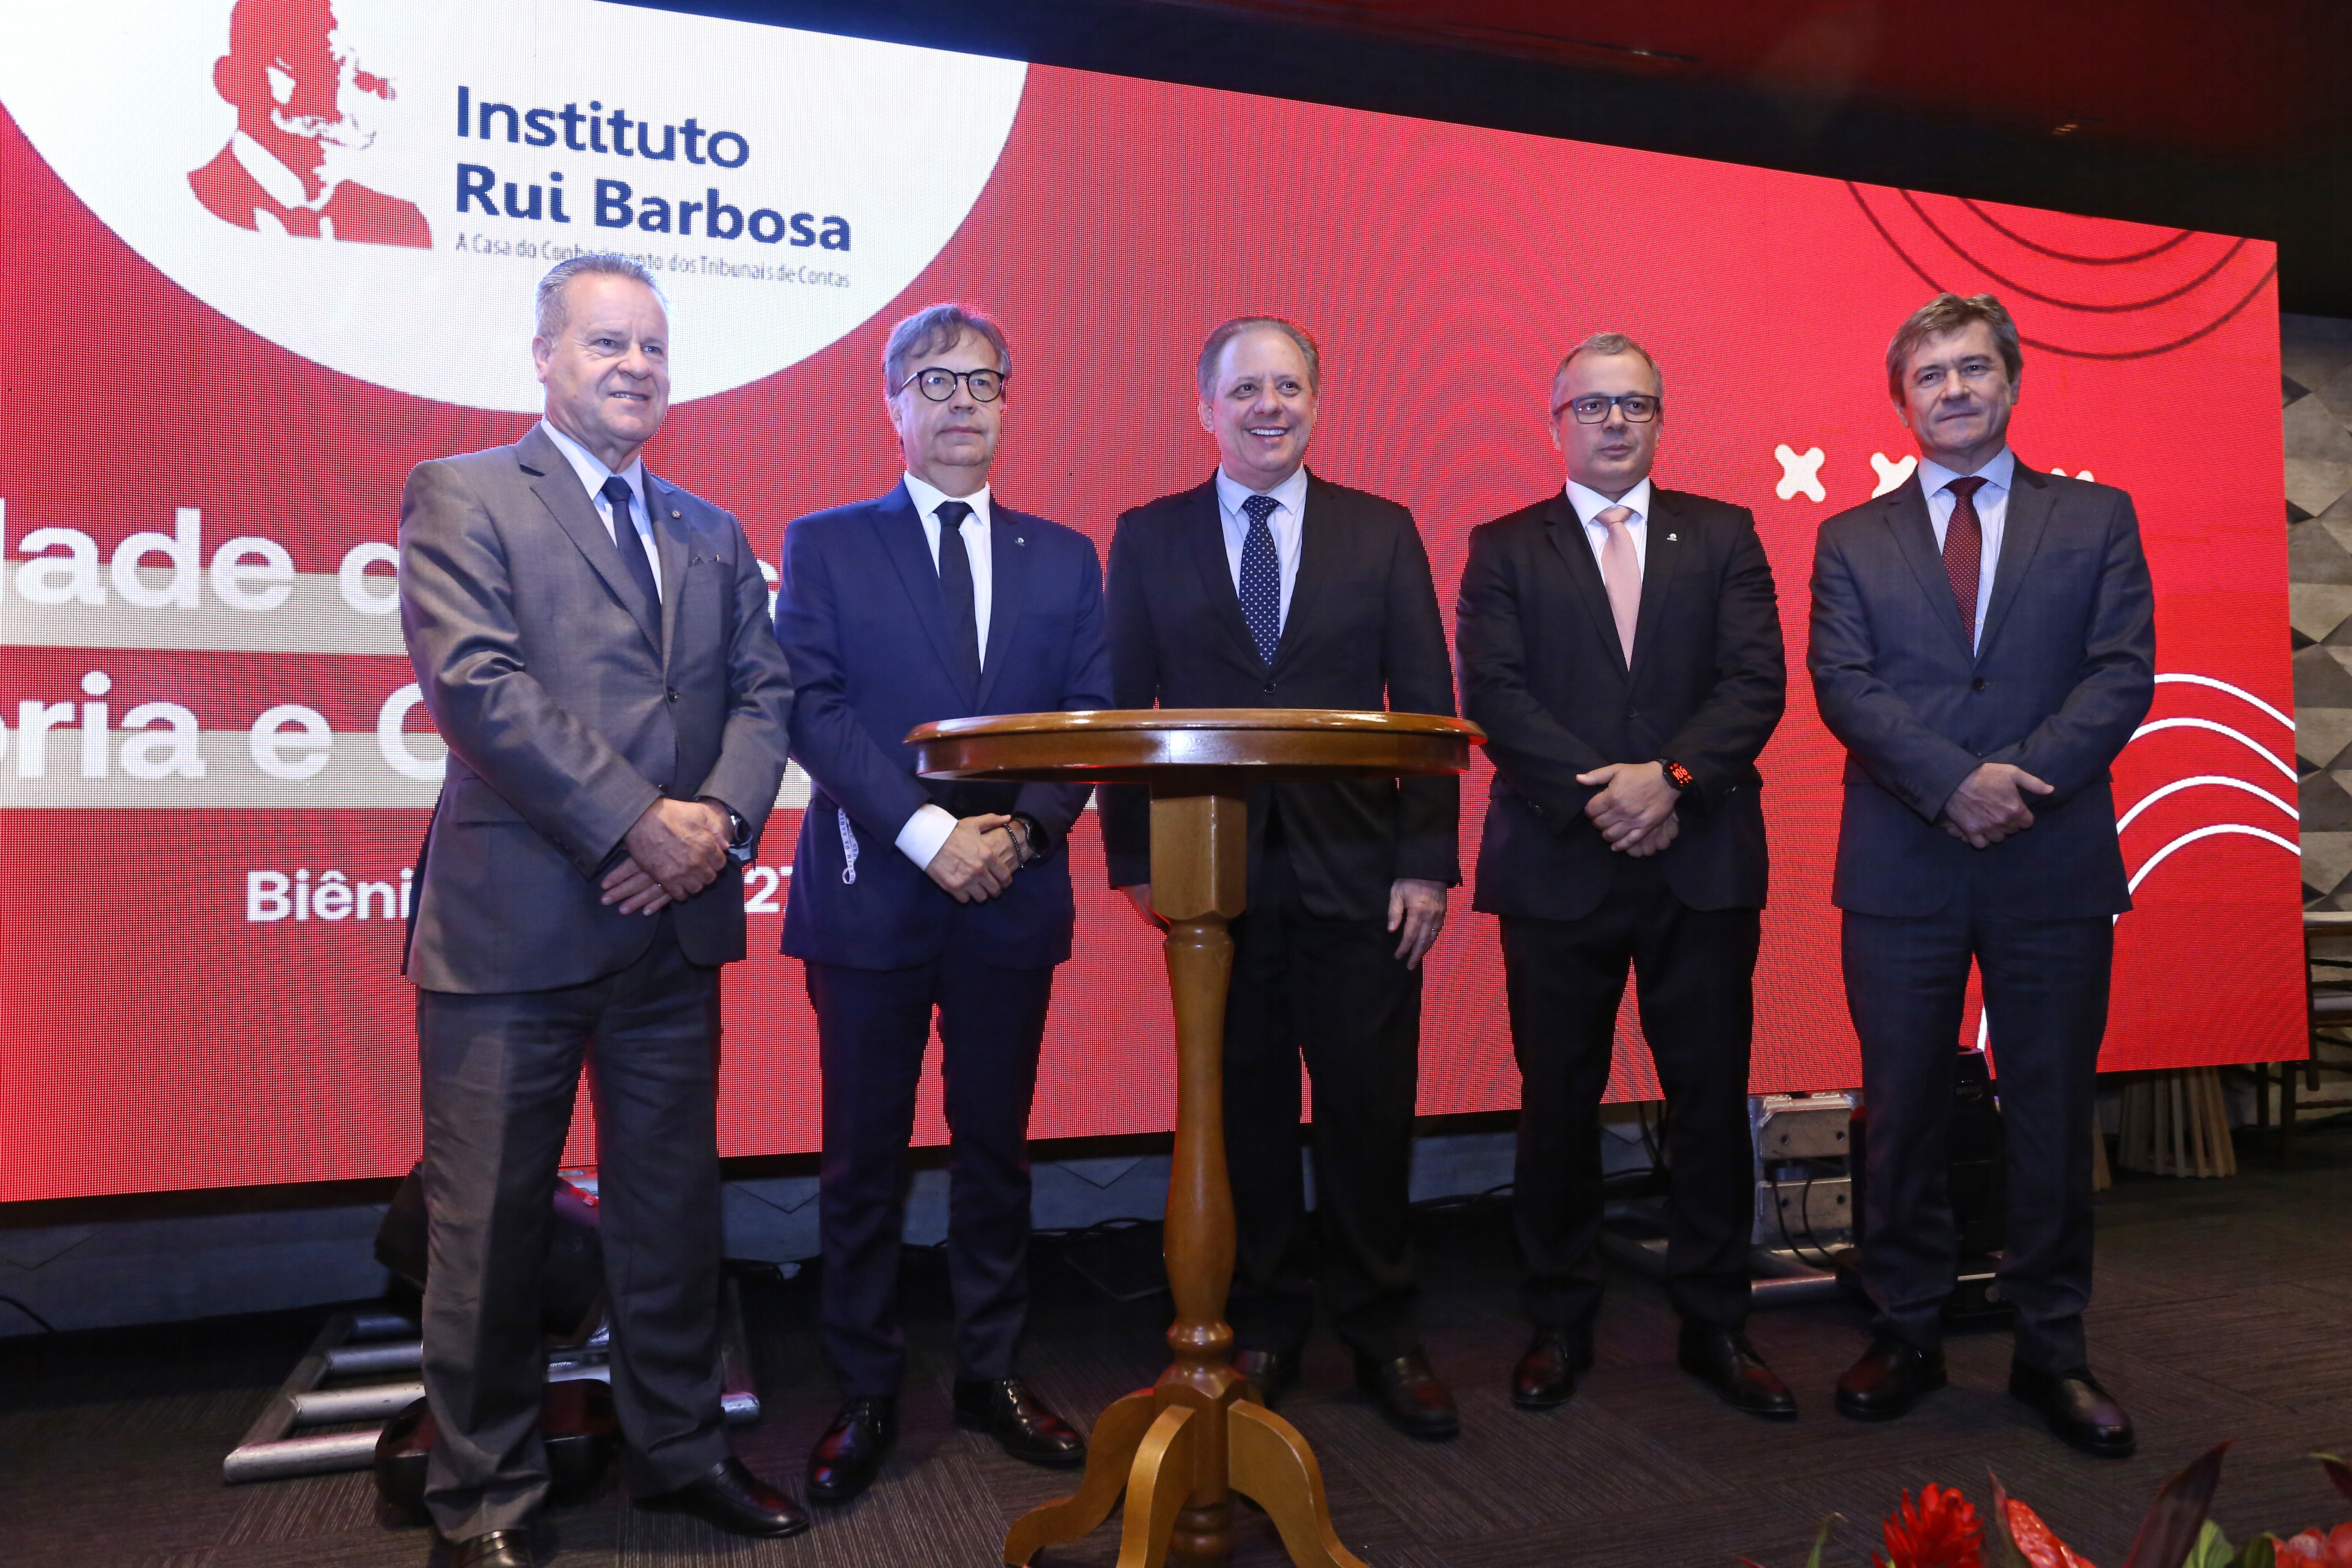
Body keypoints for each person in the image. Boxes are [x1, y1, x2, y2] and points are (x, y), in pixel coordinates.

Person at [398, 254, 802, 1568]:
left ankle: (680, 1453)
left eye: (652, 347)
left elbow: (765, 695)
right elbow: (477, 686)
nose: (636, 367)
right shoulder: (464, 493)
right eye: (606, 343)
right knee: (491, 1233)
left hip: (668, 930)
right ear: (545, 359)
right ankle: (485, 1499)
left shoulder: (710, 528)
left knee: (671, 1216)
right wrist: (640, 821)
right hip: (512, 932)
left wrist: (715, 824)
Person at [1101, 316, 1462, 1439]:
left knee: (1368, 1111)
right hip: (1212, 879)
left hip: (1365, 876)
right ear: (1206, 409)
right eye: (1247, 389)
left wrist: (1427, 863)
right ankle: (1261, 1320)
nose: (1270, 406)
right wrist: (1135, 863)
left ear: (1316, 401)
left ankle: (1384, 1330)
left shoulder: (1382, 529)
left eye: (1290, 387)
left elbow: (1430, 709)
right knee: (1242, 1111)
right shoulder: (1149, 536)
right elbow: (1121, 711)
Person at [774, 304, 1109, 1503]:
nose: (963, 401)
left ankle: (991, 1372)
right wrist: (928, 836)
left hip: (1012, 890)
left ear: (1008, 402)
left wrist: (1019, 832)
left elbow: (1089, 717)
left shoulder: (1064, 557)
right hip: (870, 891)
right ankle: (865, 1386)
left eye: (983, 381)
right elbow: (811, 709)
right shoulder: (826, 543)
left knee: (995, 1153)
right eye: (936, 380)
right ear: (892, 402)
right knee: (863, 1159)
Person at [1810, 292, 2154, 1456]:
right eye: (1929, 374)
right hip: (1902, 859)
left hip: (2049, 857)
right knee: (1902, 1109)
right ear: (1900, 400)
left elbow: (2119, 674)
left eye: (1971, 368)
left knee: (2049, 1111)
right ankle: (1905, 1329)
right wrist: (1953, 783)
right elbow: (1844, 685)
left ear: (2011, 380)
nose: (1952, 390)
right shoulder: (1849, 538)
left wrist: (2016, 785)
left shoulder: (2095, 516)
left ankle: (2052, 1347)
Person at [1455, 332, 1791, 1419]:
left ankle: (1716, 1323)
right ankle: (1557, 1321)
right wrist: (1606, 797)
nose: (1613, 423)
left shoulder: (1725, 534)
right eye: (1592, 406)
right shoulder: (1504, 545)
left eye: (1633, 404)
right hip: (1558, 862)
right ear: (1555, 421)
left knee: (1708, 1101)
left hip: (1701, 861)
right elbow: (1494, 695)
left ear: (1658, 418)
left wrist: (1671, 782)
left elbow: (1755, 683)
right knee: (1557, 1103)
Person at [189, 0, 431, 247]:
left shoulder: (401, 224)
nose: (332, 97)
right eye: (303, 67)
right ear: (233, 81)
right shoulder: (200, 201)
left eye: (345, 71)